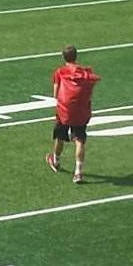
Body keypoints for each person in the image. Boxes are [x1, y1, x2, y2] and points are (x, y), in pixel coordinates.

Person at [46, 45, 99, 183]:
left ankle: (56, 160)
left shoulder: (60, 72)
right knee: (79, 140)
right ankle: (78, 172)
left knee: (59, 136)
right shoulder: (84, 73)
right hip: (81, 111)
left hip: (64, 110)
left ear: (63, 57)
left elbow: (56, 94)